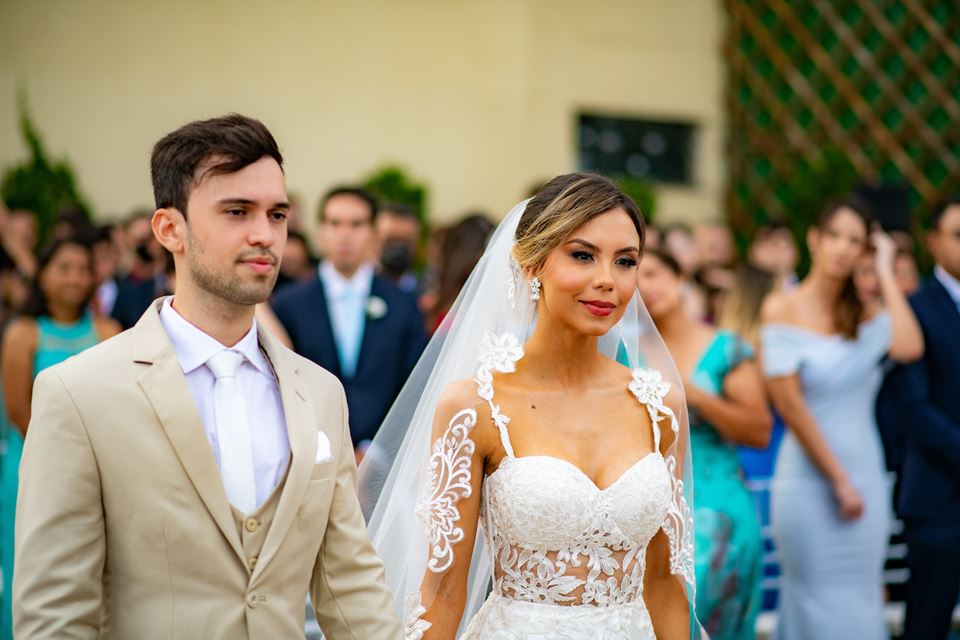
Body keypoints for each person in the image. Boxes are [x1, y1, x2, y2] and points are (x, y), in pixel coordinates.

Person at [12, 114, 401, 639]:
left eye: (278, 214)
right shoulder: (78, 393)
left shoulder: (320, 393)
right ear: (169, 229)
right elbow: (55, 616)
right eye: (237, 212)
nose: (265, 234)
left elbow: (351, 586)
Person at [362, 173, 704, 639]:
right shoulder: (475, 406)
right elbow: (443, 589)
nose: (607, 280)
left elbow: (664, 583)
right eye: (583, 256)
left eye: (626, 262)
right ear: (531, 264)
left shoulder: (659, 405)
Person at [760, 195, 923, 640]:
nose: (842, 248)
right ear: (814, 239)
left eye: (855, 240)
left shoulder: (867, 315)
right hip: (810, 482)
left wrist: (887, 269)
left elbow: (910, 346)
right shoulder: (781, 308)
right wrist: (838, 480)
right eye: (834, 235)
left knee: (862, 598)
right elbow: (790, 406)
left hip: (866, 474)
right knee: (813, 600)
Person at [638, 249, 771, 638]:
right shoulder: (623, 352)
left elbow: (759, 430)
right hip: (650, 496)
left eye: (656, 273)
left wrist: (694, 396)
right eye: (637, 276)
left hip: (716, 502)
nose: (646, 286)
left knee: (700, 605)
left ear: (681, 278)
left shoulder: (724, 348)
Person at [0, 236, 121, 639]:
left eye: (83, 269)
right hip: (30, 466)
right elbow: (18, 409)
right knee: (31, 566)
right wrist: (63, 462)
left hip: (102, 466)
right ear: (44, 274)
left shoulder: (108, 331)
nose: (74, 278)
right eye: (64, 268)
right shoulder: (23, 334)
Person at [272, 186, 426, 453]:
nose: (345, 234)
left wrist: (375, 451)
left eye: (356, 224)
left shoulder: (403, 302)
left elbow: (414, 386)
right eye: (335, 223)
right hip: (308, 451)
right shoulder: (288, 304)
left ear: (375, 232)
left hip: (383, 460)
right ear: (320, 230)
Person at [888, 196, 960, 640]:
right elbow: (914, 406)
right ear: (933, 241)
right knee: (927, 625)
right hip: (939, 499)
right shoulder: (914, 307)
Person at [377, 202, 422, 293]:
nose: (398, 247)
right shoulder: (359, 290)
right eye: (391, 240)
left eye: (405, 241)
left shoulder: (426, 293)